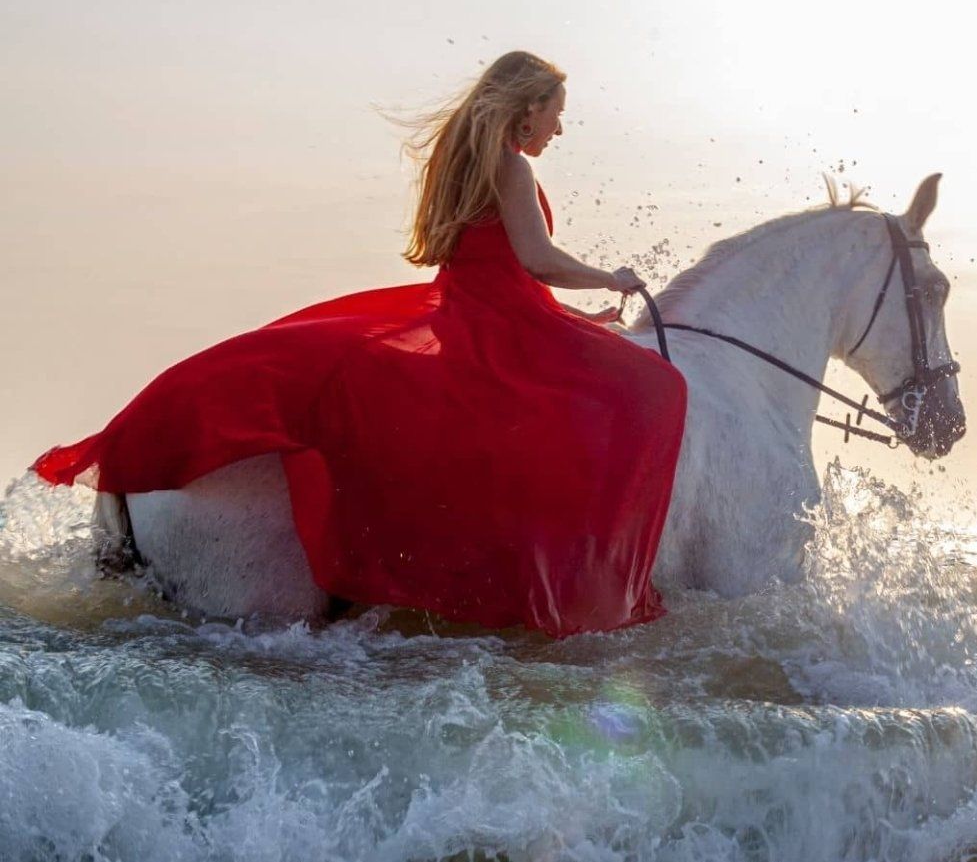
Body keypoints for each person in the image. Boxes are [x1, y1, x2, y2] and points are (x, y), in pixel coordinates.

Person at [31, 50, 687, 637]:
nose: (559, 129)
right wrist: (615, 277)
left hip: (482, 318)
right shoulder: (511, 168)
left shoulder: (463, 161)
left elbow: (505, 275)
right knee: (656, 387)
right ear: (529, 108)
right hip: (495, 331)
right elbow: (537, 259)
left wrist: (581, 317)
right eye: (557, 114)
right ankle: (586, 588)